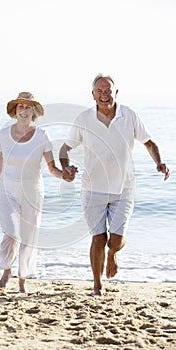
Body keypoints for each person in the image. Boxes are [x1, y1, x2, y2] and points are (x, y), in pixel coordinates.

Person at [59, 73, 170, 296]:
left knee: (116, 240)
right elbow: (65, 149)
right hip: (93, 189)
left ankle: (113, 255)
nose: (104, 95)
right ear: (92, 95)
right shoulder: (83, 119)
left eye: (108, 90)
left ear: (116, 93)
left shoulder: (129, 116)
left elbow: (149, 142)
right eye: (99, 91)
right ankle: (97, 286)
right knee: (98, 238)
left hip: (123, 188)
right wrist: (67, 168)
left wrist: (159, 162)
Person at [0, 92, 76, 293]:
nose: (24, 110)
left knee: (28, 238)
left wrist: (65, 175)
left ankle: (23, 278)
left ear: (34, 111)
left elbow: (52, 168)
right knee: (11, 233)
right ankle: (6, 270)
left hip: (33, 193)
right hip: (7, 191)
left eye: (28, 106)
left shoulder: (42, 136)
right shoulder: (3, 135)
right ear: (15, 111)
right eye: (20, 106)